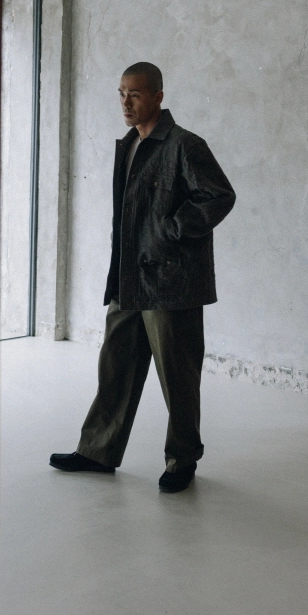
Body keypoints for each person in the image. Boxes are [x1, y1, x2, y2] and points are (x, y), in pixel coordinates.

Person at [50, 62, 235, 492]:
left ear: (157, 97)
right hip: (129, 279)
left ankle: (182, 460)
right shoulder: (129, 144)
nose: (125, 102)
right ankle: (97, 451)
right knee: (115, 367)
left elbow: (219, 196)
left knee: (178, 379)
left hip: (170, 283)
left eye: (134, 94)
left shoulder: (185, 145)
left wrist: (172, 228)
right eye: (121, 93)